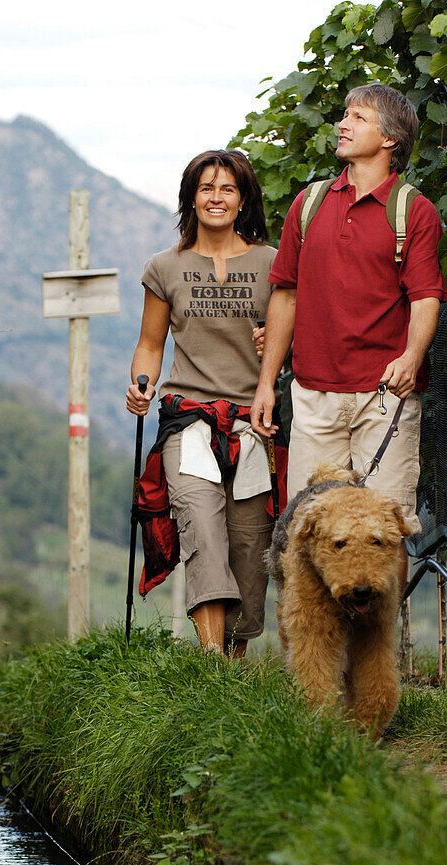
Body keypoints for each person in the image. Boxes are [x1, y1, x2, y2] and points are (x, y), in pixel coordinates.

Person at [251, 83, 447, 551]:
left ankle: (380, 629)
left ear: (390, 139)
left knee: (385, 533)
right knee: (308, 533)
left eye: (358, 118)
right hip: (314, 395)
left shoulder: (413, 211)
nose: (343, 124)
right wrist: (266, 382)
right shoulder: (309, 203)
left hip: (384, 399)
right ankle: (311, 628)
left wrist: (412, 356)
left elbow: (426, 297)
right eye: (345, 115)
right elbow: (286, 295)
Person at [126, 149, 280, 657]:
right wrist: (142, 384)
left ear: (243, 201)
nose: (217, 198)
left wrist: (275, 344)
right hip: (187, 420)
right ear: (191, 198)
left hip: (253, 426)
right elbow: (151, 344)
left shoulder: (271, 263)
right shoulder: (164, 267)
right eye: (207, 188)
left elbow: (292, 340)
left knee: (249, 546)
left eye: (228, 189)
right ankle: (212, 669)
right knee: (202, 531)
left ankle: (233, 668)